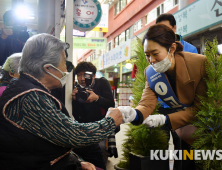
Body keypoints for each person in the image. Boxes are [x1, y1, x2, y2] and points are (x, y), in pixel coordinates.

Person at [0, 33, 123, 170]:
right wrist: (110, 122)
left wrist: (77, 161)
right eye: (64, 63)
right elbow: (73, 135)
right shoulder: (31, 96)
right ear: (48, 68)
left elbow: (47, 140)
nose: (66, 70)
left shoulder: (23, 87)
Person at [108, 24, 207, 170]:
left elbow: (201, 108)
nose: (151, 60)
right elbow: (146, 103)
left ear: (172, 49)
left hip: (210, 131)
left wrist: (165, 119)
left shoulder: (199, 64)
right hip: (185, 130)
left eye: (155, 53)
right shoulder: (151, 72)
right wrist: (133, 113)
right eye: (147, 55)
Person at [72, 62, 115, 169]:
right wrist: (74, 100)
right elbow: (76, 115)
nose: (82, 79)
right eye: (79, 75)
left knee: (100, 148)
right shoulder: (75, 89)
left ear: (93, 75)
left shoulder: (102, 83)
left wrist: (97, 98)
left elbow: (111, 104)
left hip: (101, 124)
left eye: (85, 75)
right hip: (83, 127)